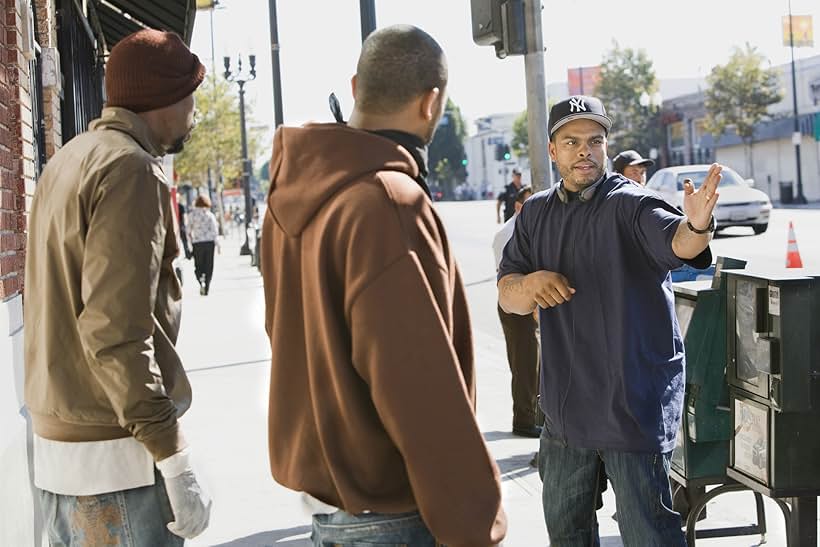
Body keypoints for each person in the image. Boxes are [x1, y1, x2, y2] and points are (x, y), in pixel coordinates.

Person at [260, 25, 506, 546]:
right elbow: (418, 385)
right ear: (431, 102)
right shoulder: (388, 201)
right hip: (393, 514)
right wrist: (475, 526)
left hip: (333, 506)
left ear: (355, 88)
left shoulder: (291, 199)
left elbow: (283, 335)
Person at [498, 94, 719, 546]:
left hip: (631, 407)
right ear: (553, 150)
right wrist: (530, 284)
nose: (585, 150)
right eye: (572, 141)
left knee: (648, 535)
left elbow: (678, 244)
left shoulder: (631, 205)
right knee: (567, 533)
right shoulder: (536, 214)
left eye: (595, 141)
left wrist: (696, 227)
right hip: (564, 412)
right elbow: (508, 297)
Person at [24, 30, 211, 545]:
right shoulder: (131, 169)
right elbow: (116, 334)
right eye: (190, 94)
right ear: (162, 99)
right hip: (114, 458)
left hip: (61, 446)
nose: (195, 109)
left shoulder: (69, 158)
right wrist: (173, 456)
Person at [492, 185, 541, 438]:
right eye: (530, 202)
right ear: (519, 206)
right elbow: (509, 277)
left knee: (536, 366)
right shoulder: (508, 233)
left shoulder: (533, 229)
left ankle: (533, 415)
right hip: (515, 307)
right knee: (524, 366)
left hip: (534, 306)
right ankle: (523, 420)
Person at [189, 194, 220, 295]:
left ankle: (200, 280)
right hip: (209, 243)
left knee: (198, 265)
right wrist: (218, 245)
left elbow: (188, 230)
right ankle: (206, 287)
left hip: (197, 243)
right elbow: (215, 230)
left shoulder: (192, 215)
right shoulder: (209, 215)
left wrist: (191, 241)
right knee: (209, 266)